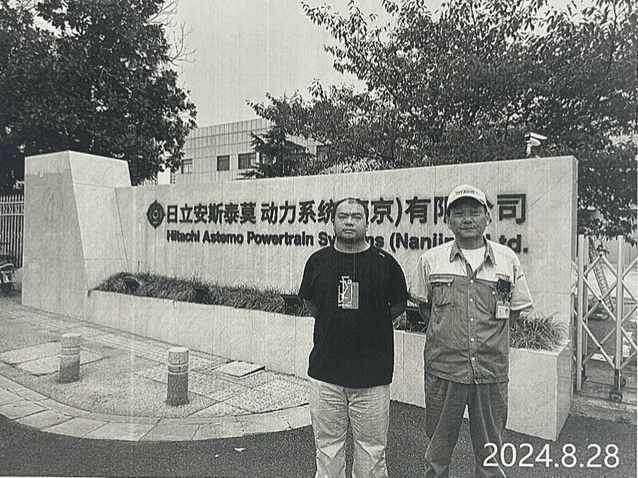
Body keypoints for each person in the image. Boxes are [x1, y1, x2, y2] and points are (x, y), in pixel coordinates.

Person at [409, 185, 534, 478]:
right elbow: (425, 310)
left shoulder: (507, 259)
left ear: (487, 217)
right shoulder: (431, 260)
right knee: (437, 456)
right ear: (447, 220)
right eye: (459, 213)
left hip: (491, 371)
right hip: (444, 371)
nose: (467, 218)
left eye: (475, 211)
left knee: (491, 456)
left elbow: (514, 312)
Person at [299, 197, 408, 478]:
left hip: (372, 377)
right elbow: (312, 304)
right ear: (333, 222)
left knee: (372, 453)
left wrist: (368, 321)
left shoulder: (385, 263)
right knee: (327, 450)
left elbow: (397, 306)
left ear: (367, 223)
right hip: (326, 375)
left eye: (356, 216)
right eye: (343, 216)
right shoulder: (317, 262)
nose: (349, 222)